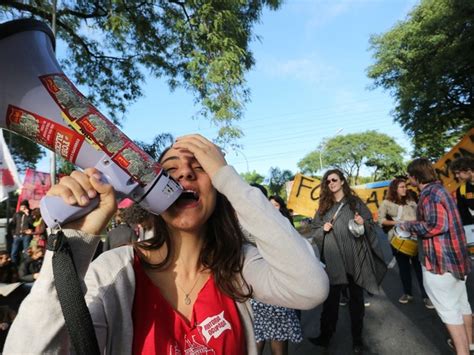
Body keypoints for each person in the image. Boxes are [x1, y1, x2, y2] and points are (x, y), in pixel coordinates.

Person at [4, 134, 329, 354]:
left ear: (217, 187)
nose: (185, 175)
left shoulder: (239, 265)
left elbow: (310, 286)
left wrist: (229, 178)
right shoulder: (114, 272)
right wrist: (73, 244)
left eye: (200, 168)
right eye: (170, 171)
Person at [309, 169, 387, 354]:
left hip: (354, 256)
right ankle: (325, 336)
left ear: (343, 181)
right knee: (330, 301)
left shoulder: (355, 203)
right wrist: (323, 230)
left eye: (334, 180)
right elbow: (315, 230)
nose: (331, 183)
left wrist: (362, 223)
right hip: (333, 258)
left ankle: (357, 339)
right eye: (327, 181)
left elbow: (369, 224)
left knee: (356, 301)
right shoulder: (323, 206)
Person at [399, 158, 472, 355]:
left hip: (441, 263)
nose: (407, 179)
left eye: (409, 175)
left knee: (450, 313)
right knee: (461, 304)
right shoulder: (440, 191)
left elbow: (436, 225)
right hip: (455, 261)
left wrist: (408, 225)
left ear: (416, 176)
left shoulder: (429, 194)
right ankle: (471, 344)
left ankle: (463, 351)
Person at [251, 194, 303, 355]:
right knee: (256, 341)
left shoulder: (286, 228)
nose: (272, 208)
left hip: (278, 291)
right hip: (259, 292)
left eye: (276, 205)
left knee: (277, 343)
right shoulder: (254, 226)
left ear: (281, 207)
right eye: (269, 204)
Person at [378, 178, 434, 309]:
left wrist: (419, 228)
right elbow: (380, 220)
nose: (405, 189)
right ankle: (407, 293)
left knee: (419, 268)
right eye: (401, 187)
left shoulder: (412, 199)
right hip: (398, 239)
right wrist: (397, 223)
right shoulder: (386, 203)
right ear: (394, 189)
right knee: (403, 268)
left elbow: (421, 216)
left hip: (416, 237)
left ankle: (426, 296)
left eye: (405, 186)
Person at [450, 156, 474, 227]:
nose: (456, 176)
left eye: (458, 173)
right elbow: (464, 214)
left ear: (468, 170)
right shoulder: (461, 190)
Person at [9, 200, 33, 265]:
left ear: (27, 207)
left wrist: (28, 215)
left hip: (26, 236)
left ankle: (27, 265)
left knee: (26, 252)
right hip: (17, 235)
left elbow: (32, 224)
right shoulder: (17, 214)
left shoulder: (30, 214)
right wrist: (13, 234)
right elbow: (12, 225)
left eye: (24, 207)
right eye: (21, 207)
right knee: (14, 252)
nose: (23, 208)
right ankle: (14, 266)